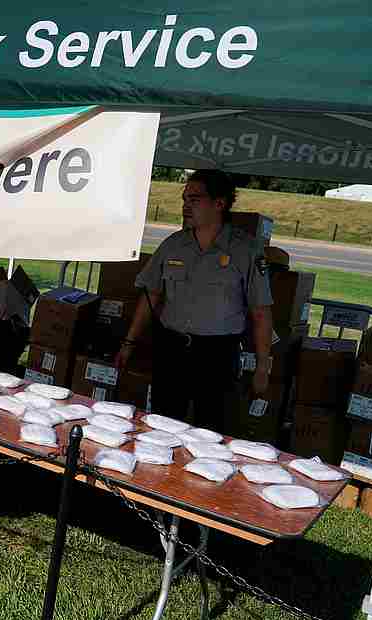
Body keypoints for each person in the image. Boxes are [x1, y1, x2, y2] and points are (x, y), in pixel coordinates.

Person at [115, 169, 273, 433]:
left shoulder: (246, 250)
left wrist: (262, 367)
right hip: (172, 349)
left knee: (210, 431)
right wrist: (129, 343)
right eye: (185, 199)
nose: (186, 206)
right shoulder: (173, 245)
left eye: (194, 200)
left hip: (217, 355)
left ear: (219, 204)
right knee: (163, 426)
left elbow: (261, 311)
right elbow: (150, 294)